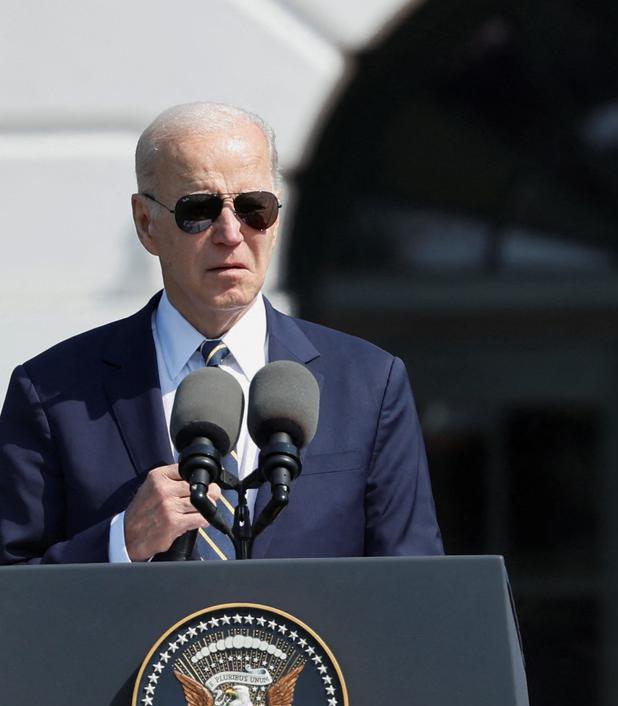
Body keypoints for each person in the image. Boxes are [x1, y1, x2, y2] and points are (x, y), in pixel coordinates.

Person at [0, 102, 442, 563]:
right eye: (200, 209)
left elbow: (416, 586)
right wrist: (121, 542)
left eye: (255, 208)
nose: (231, 233)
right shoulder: (52, 392)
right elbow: (10, 597)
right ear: (146, 224)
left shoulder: (371, 383)